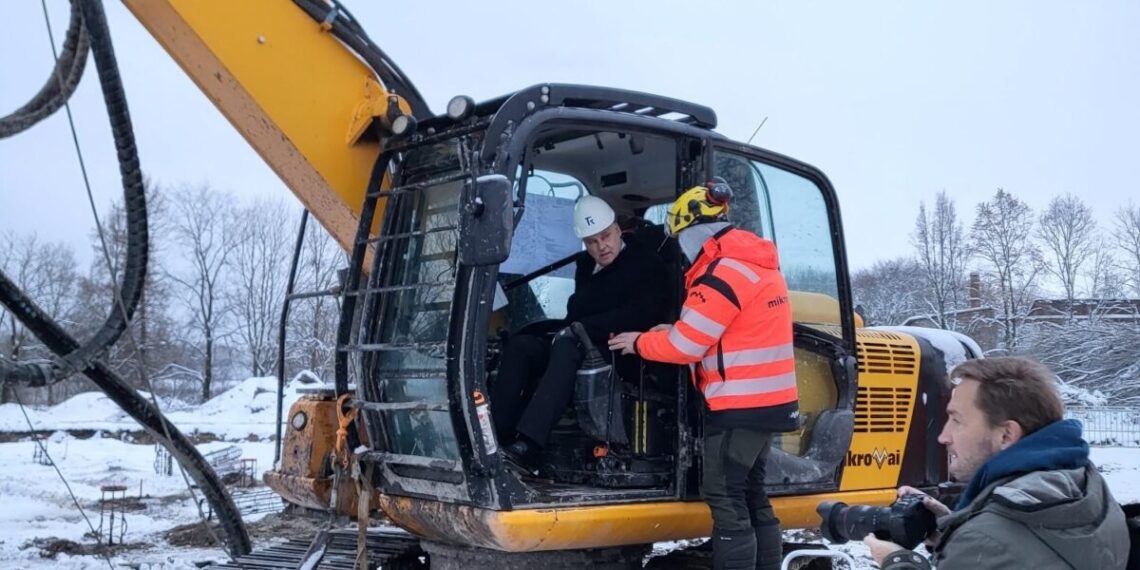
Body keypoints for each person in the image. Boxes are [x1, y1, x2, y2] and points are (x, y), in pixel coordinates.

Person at [609, 179, 799, 570]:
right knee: (751, 493)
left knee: (725, 494)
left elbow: (686, 348)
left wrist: (640, 342)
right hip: (769, 402)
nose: (680, 252)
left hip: (738, 406)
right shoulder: (753, 264)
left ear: (691, 234)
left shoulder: (719, 272)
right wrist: (674, 331)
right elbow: (723, 331)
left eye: (678, 241)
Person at [864, 356, 1130, 570]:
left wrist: (898, 563)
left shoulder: (987, 541)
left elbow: (1001, 547)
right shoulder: (1083, 483)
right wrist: (958, 530)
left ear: (1006, 435)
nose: (943, 436)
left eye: (956, 419)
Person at [492, 195, 668, 472]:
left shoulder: (644, 262)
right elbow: (577, 306)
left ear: (617, 229)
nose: (602, 246)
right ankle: (495, 435)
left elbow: (641, 313)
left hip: (622, 347)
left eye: (606, 236)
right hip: (579, 335)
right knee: (522, 346)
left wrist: (583, 327)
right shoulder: (586, 264)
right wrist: (570, 327)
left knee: (567, 348)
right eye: (592, 242)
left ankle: (529, 444)